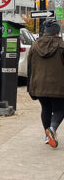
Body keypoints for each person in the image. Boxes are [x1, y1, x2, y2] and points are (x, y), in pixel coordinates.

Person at [28, 20, 64, 148]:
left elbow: (29, 67)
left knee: (46, 108)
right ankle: (52, 129)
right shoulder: (62, 45)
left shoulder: (34, 45)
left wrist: (30, 87)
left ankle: (47, 136)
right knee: (60, 109)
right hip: (59, 85)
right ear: (57, 31)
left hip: (39, 84)